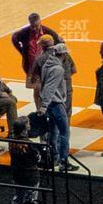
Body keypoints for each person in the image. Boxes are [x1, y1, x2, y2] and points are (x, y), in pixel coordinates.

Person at [33, 34, 75, 168]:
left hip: (50, 103)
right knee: (64, 132)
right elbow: (50, 88)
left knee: (53, 130)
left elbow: (41, 82)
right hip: (55, 103)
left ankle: (53, 157)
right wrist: (44, 106)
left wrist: (44, 104)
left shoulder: (46, 64)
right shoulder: (58, 69)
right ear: (62, 55)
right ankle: (64, 161)